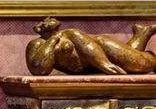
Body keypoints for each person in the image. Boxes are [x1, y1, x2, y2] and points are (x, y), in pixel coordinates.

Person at [26, 18, 156, 76]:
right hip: (90, 67)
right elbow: (39, 69)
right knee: (131, 61)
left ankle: (149, 48)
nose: (48, 19)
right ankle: (142, 33)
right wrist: (53, 39)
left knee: (140, 64)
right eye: (44, 21)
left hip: (103, 47)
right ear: (37, 29)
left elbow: (89, 46)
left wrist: (104, 64)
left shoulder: (70, 33)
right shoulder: (36, 44)